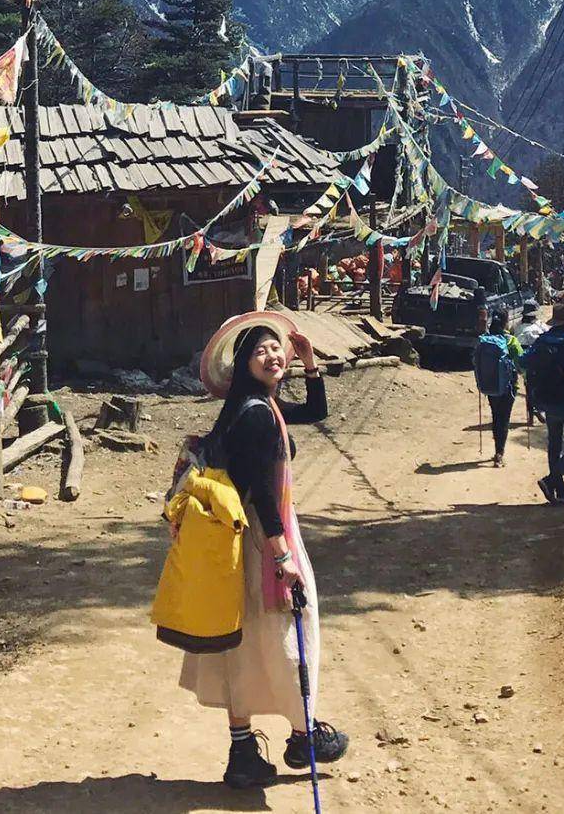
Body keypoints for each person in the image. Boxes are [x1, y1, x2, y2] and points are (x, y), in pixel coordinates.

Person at [179, 314, 349, 790]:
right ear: (243, 363)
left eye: (278, 349)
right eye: (261, 351)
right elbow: (260, 494)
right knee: (287, 633)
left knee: (244, 641)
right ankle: (304, 735)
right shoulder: (255, 415)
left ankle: (243, 753)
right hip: (263, 540)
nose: (273, 356)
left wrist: (311, 363)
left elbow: (316, 413)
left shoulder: (257, 405)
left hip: (240, 542)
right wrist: (282, 558)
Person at [520, 302, 564, 504]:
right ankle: (551, 481)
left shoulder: (542, 341)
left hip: (548, 401)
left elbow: (523, 361)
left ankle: (560, 491)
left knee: (554, 446)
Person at [473, 312, 520, 467]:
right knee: (504, 419)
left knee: (495, 416)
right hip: (509, 387)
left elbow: (475, 360)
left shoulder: (484, 341)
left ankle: (497, 450)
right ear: (506, 323)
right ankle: (499, 453)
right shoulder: (511, 341)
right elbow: (521, 363)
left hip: (490, 385)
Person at [516, 299, 547, 426]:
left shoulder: (518, 327)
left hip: (524, 363)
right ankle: (539, 408)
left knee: (528, 388)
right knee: (541, 387)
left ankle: (530, 418)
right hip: (539, 361)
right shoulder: (540, 326)